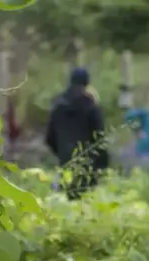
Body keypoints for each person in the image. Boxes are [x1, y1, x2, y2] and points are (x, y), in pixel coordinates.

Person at [44, 67, 109, 198]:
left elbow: (49, 138)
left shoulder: (58, 106)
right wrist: (103, 165)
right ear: (87, 83)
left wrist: (62, 152)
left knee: (66, 199)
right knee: (85, 201)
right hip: (87, 165)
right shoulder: (91, 107)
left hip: (65, 162)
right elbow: (99, 138)